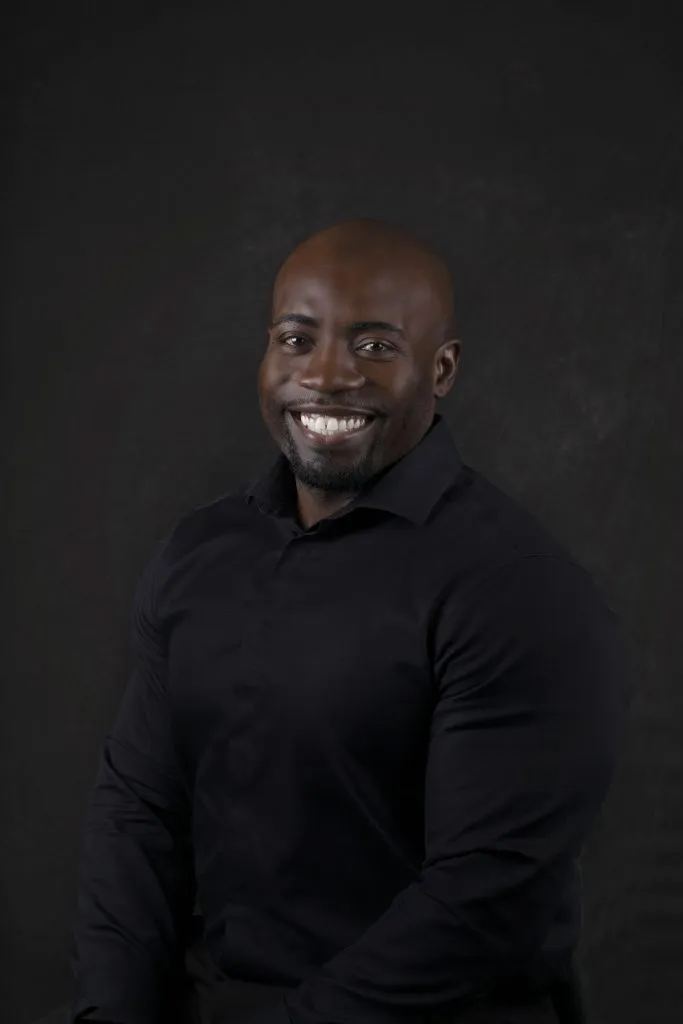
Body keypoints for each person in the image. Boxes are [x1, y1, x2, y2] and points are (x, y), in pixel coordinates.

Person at [69, 219, 627, 1024]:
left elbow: (485, 900)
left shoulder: (521, 591)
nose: (325, 375)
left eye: (372, 347)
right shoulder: (200, 552)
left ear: (440, 369)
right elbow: (137, 809)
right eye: (296, 339)